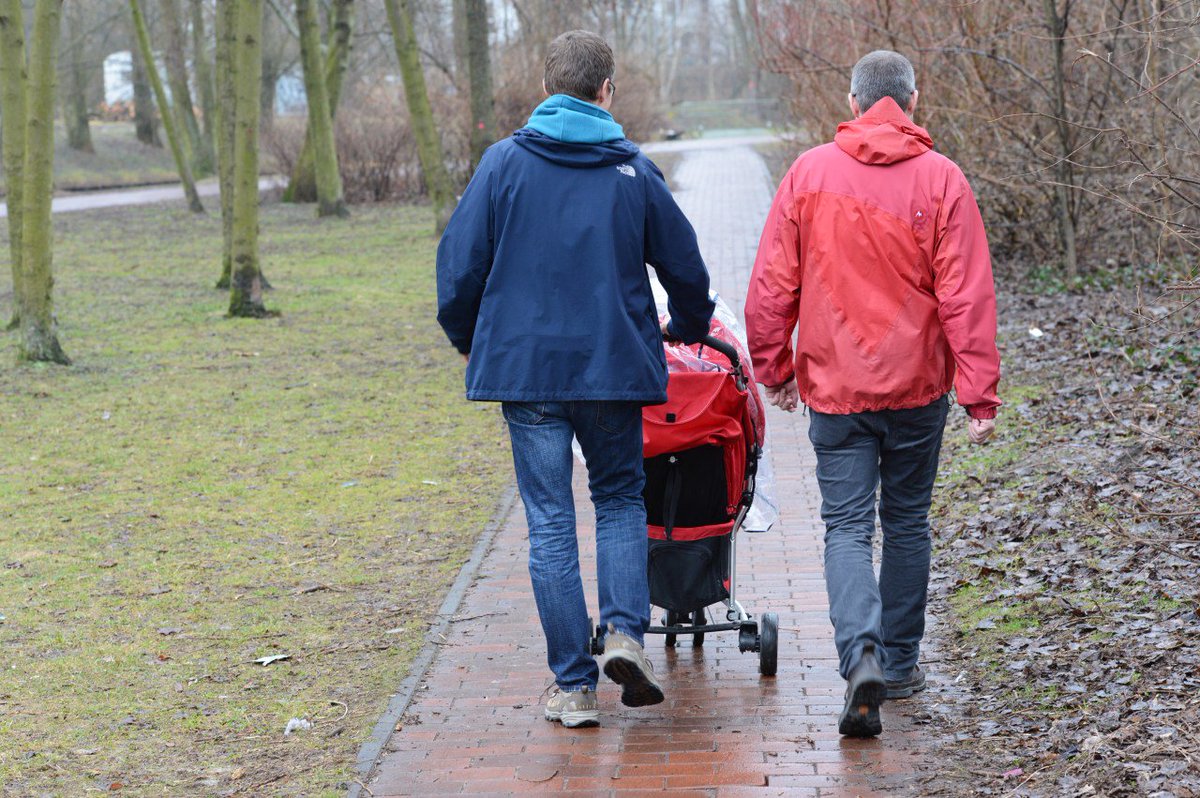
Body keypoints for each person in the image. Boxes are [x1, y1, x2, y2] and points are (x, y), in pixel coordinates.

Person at [436, 30, 715, 728]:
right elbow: (685, 266)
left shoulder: (503, 165)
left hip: (527, 375)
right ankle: (623, 633)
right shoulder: (632, 171)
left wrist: (470, 341)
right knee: (619, 498)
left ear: (546, 89)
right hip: (610, 370)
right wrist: (687, 323)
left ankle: (574, 687)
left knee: (549, 520)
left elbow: (459, 268)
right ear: (606, 91)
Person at [743, 50, 1001, 737]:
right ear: (913, 102)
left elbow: (772, 285)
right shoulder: (943, 179)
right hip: (917, 387)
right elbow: (966, 295)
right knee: (908, 521)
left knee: (849, 527)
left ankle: (861, 654)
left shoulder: (809, 174)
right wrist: (978, 393)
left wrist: (775, 369)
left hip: (837, 386)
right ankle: (901, 663)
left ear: (853, 103)